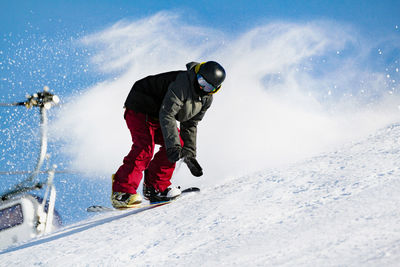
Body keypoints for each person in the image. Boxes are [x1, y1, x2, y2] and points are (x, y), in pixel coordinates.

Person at [111, 61, 226, 208]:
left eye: (209, 87)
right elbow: (167, 114)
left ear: (215, 90)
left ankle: (155, 187)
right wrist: (173, 147)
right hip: (140, 106)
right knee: (145, 147)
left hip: (158, 115)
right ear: (197, 75)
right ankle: (121, 192)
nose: (202, 87)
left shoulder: (205, 99)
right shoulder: (183, 83)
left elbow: (190, 124)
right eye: (201, 81)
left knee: (179, 145)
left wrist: (189, 155)